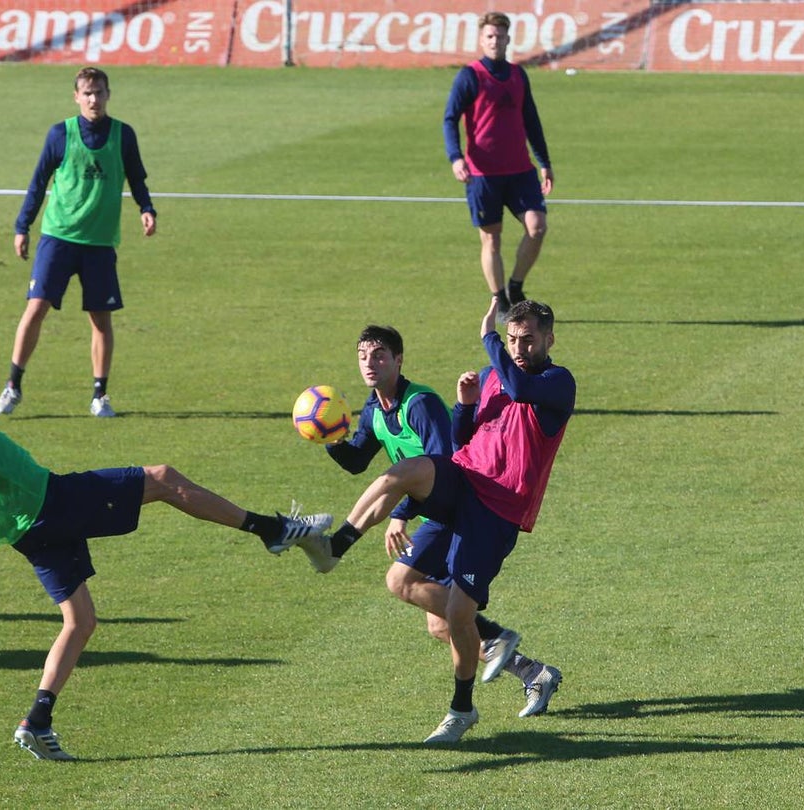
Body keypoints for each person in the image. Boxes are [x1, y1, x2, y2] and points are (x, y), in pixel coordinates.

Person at [0, 335, 331, 760]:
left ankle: (37, 721)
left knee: (80, 621)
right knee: (163, 479)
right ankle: (272, 530)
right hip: (50, 502)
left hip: (25, 529)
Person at [313, 299, 574, 744]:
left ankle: (464, 708)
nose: (517, 347)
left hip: (497, 509)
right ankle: (336, 545)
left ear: (549, 339)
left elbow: (521, 388)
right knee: (402, 570)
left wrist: (489, 337)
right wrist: (465, 407)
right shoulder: (493, 375)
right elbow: (461, 441)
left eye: (527, 339)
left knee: (452, 617)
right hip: (464, 481)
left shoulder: (557, 381)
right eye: (511, 339)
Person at [298, 325, 533, 688]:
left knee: (402, 559)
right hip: (437, 514)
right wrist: (332, 437)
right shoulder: (375, 408)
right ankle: (530, 670)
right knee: (439, 623)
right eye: (362, 357)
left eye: (378, 355)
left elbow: (443, 462)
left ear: (398, 360)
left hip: (462, 505)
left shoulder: (419, 403)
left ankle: (336, 545)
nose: (369, 364)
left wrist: (399, 512)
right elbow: (358, 460)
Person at [0, 66, 157, 419]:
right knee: (36, 308)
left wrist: (146, 208)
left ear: (108, 94)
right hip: (59, 237)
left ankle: (100, 394)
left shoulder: (122, 135)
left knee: (100, 319)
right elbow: (38, 182)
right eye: (87, 93)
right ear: (76, 97)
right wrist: (23, 226)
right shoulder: (61, 134)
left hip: (99, 243)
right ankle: (12, 385)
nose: (94, 99)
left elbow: (136, 176)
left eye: (99, 92)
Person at [443, 11, 554, 317]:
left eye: (500, 36)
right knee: (491, 238)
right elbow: (450, 119)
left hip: (520, 171)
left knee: (537, 226)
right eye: (489, 36)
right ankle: (500, 299)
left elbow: (531, 119)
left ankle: (515, 286)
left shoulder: (518, 75)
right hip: (483, 174)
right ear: (482, 40)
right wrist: (456, 158)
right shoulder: (470, 76)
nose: (495, 41)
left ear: (508, 39)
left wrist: (544, 161)